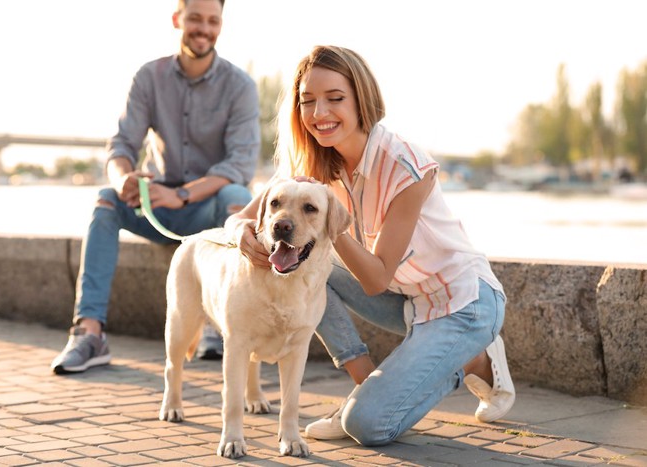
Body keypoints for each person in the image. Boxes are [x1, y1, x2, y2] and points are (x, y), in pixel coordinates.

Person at [225, 45, 515, 446]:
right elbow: (241, 218)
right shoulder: (311, 163)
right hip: (408, 300)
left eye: (335, 99)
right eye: (308, 102)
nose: (320, 113)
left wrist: (330, 222)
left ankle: (477, 357)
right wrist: (240, 234)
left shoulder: (405, 165)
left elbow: (376, 278)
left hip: (463, 302)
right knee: (301, 270)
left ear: (361, 99)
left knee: (368, 426)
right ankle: (364, 387)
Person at [51, 0, 260, 374]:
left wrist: (182, 195)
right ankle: (89, 333)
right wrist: (124, 178)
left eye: (214, 21)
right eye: (196, 18)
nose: (204, 29)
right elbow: (121, 146)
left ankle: (224, 322)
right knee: (105, 201)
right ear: (177, 19)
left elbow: (239, 164)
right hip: (156, 206)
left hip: (208, 210)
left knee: (238, 197)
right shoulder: (148, 77)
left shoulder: (240, 86)